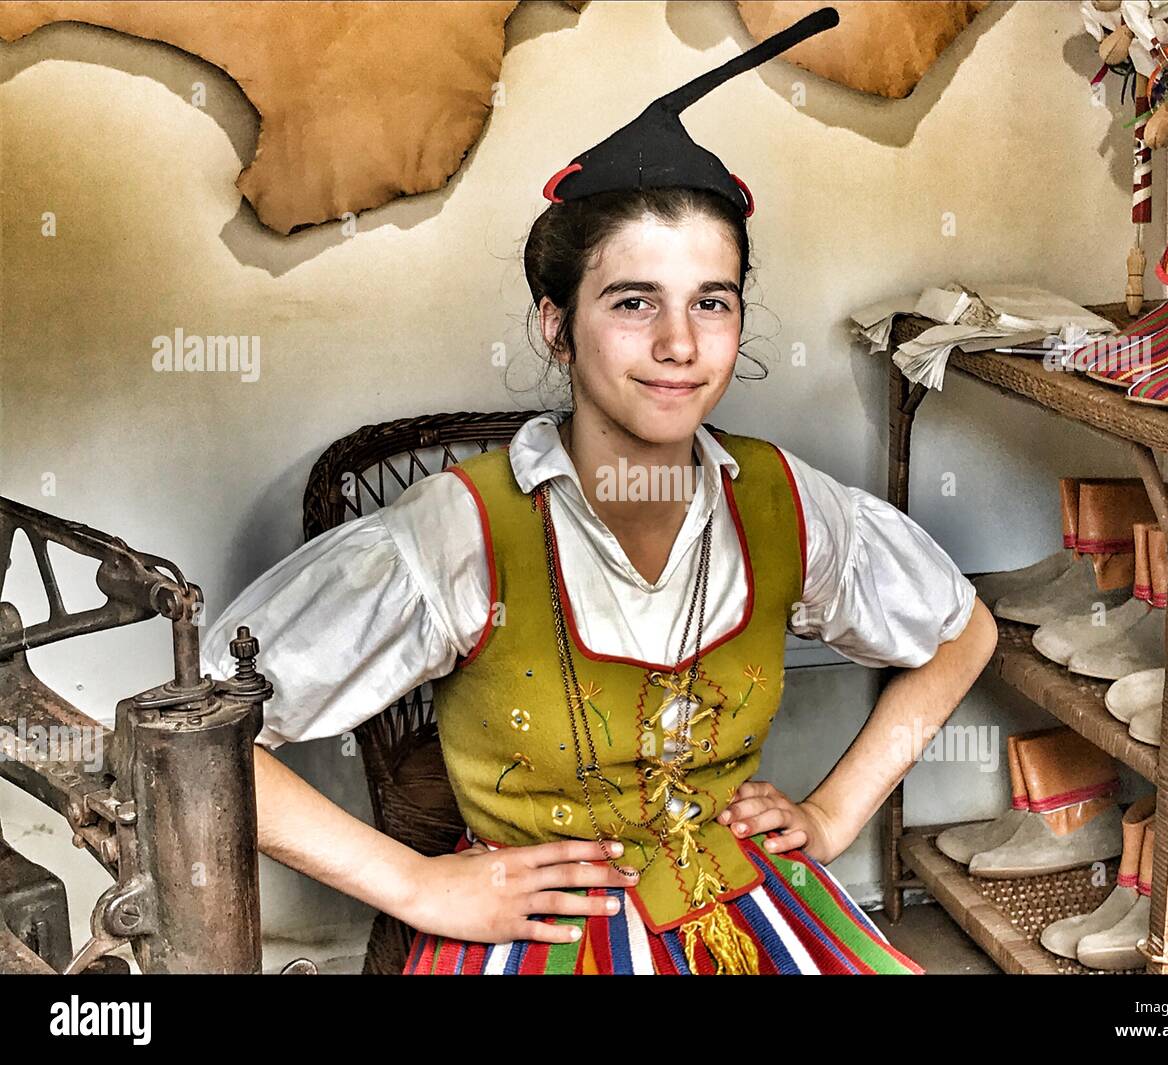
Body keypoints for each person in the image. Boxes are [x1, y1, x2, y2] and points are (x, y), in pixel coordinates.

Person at [199, 7, 998, 975]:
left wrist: (830, 815)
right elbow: (197, 734)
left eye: (712, 300)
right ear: (553, 322)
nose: (679, 344)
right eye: (632, 303)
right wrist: (414, 886)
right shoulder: (459, 528)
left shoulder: (784, 501)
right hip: (543, 936)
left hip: (753, 903)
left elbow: (964, 634)